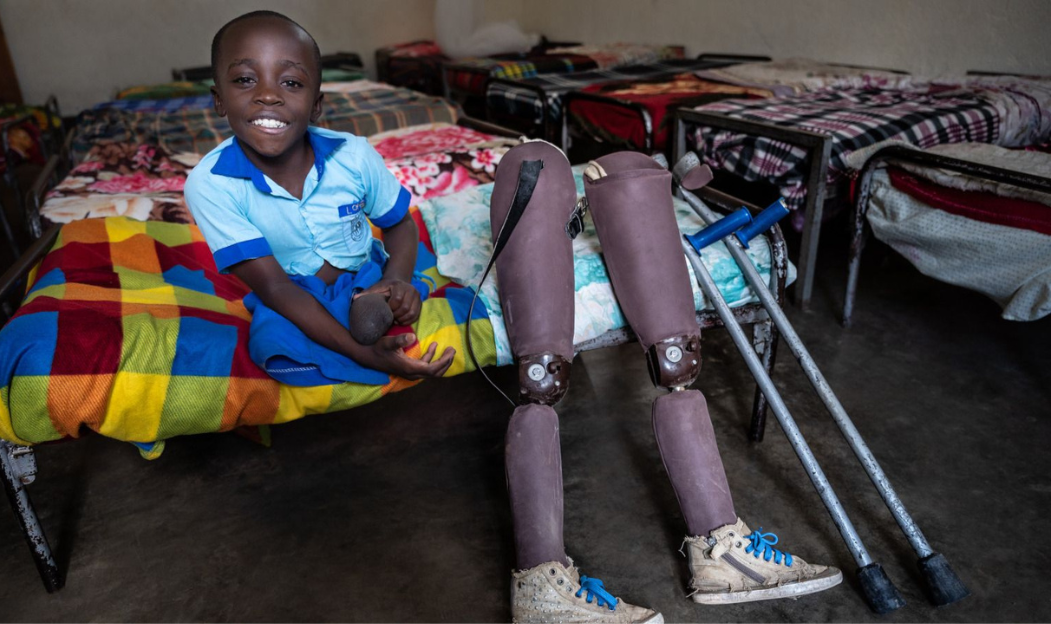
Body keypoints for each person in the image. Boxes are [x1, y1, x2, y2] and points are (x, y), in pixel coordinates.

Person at [489, 142, 843, 623]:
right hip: (533, 173)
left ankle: (721, 552)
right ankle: (539, 586)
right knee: (533, 163)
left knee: (631, 169)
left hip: (625, 193)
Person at [185, 11, 455, 387]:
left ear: (316, 104)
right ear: (219, 100)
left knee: (411, 303)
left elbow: (399, 222)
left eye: (292, 82)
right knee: (272, 341)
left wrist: (394, 281)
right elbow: (276, 289)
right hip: (290, 295)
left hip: (366, 278)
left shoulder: (354, 155)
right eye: (245, 80)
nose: (268, 95)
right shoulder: (210, 184)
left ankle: (373, 306)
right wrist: (366, 355)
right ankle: (356, 350)